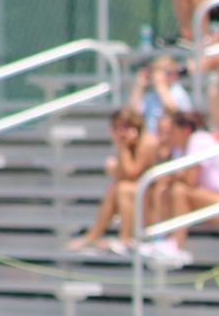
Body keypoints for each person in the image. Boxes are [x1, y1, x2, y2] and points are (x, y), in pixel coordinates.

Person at [148, 111, 219, 262]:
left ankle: (175, 246)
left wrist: (169, 172)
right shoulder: (184, 149)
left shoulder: (198, 139)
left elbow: (190, 181)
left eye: (172, 132)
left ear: (185, 130)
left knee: (178, 191)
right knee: (166, 190)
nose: (168, 137)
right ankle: (161, 241)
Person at [67, 107, 161, 254]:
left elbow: (132, 174)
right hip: (141, 196)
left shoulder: (148, 142)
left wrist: (122, 147)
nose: (120, 132)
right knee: (115, 188)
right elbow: (122, 175)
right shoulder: (130, 145)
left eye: (124, 126)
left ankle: (125, 238)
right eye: (116, 127)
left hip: (155, 200)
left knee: (122, 188)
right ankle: (93, 236)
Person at [129, 56, 194, 135]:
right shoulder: (151, 95)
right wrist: (139, 87)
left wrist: (160, 85)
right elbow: (133, 114)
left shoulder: (178, 91)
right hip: (152, 138)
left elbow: (174, 112)